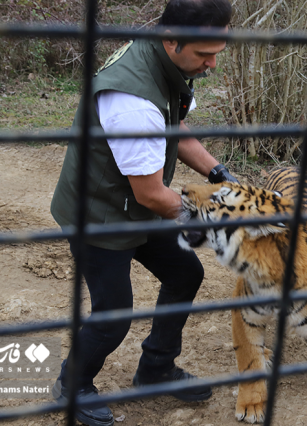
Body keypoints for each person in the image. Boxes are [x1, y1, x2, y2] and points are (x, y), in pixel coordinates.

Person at [49, 1, 236, 425]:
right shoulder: (133, 101)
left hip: (133, 201)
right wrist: (221, 214)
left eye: (216, 54)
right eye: (204, 55)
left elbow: (174, 126)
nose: (210, 65)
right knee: (114, 313)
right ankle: (71, 385)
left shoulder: (169, 63)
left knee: (185, 273)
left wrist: (219, 175)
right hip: (98, 213)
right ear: (172, 40)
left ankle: (155, 370)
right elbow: (153, 195)